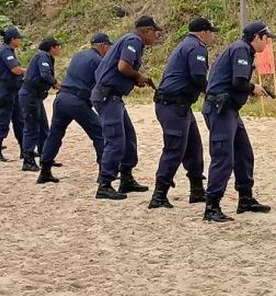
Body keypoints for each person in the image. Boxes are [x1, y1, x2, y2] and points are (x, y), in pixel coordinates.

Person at [201, 21, 273, 222]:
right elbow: (238, 82)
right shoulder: (242, 49)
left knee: (244, 153)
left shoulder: (242, 50)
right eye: (266, 38)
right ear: (257, 38)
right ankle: (212, 206)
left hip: (229, 109)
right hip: (221, 109)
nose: (268, 43)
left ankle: (245, 198)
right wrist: (253, 88)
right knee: (223, 157)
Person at [148, 17, 217, 209]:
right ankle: (159, 194)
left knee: (194, 147)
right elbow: (198, 77)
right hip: (172, 104)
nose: (213, 36)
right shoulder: (197, 48)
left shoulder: (187, 44)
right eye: (211, 32)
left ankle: (196, 190)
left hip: (179, 105)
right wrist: (214, 93)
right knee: (174, 148)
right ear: (203, 32)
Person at [92, 16, 159, 200]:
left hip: (113, 96)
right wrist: (137, 76)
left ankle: (126, 178)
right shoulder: (133, 40)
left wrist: (135, 78)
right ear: (146, 31)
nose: (156, 36)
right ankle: (105, 184)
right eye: (154, 32)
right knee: (115, 140)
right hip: (108, 96)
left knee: (128, 137)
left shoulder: (130, 40)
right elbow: (123, 67)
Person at [37, 33, 111, 185]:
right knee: (99, 133)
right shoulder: (98, 60)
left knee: (55, 134)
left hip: (61, 98)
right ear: (103, 46)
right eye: (109, 47)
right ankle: (103, 172)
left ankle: (45, 170)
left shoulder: (78, 55)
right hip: (77, 101)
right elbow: (103, 83)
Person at [19, 37, 62, 172]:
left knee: (43, 127)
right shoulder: (43, 56)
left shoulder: (45, 57)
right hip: (30, 95)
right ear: (52, 48)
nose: (59, 49)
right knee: (32, 127)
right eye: (58, 46)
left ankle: (45, 157)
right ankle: (28, 159)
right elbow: (45, 75)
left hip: (36, 96)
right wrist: (55, 83)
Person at [0, 27, 26, 162]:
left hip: (13, 90)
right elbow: (15, 69)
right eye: (19, 38)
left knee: (19, 120)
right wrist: (29, 71)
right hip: (6, 90)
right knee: (3, 121)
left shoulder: (8, 50)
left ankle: (24, 150)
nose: (20, 41)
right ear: (13, 39)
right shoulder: (5, 51)